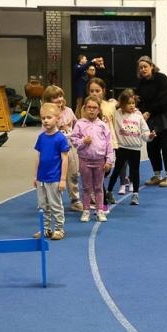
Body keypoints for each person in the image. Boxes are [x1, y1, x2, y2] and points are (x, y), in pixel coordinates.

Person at [135, 57, 167, 187]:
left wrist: (148, 112)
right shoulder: (141, 83)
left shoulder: (162, 79)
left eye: (145, 66)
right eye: (141, 67)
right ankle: (157, 175)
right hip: (152, 119)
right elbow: (137, 100)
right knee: (152, 148)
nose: (143, 69)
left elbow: (164, 99)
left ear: (151, 66)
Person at [71, 96, 115, 224]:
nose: (91, 110)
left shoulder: (103, 125)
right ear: (84, 108)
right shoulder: (79, 124)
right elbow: (73, 141)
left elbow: (109, 144)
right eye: (89, 107)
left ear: (98, 110)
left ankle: (100, 210)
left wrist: (109, 161)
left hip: (99, 161)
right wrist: (83, 142)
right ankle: (86, 210)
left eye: (94, 108)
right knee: (86, 188)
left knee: (98, 187)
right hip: (85, 160)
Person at [33, 101, 70, 238]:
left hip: (54, 177)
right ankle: (45, 228)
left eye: (49, 117)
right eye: (43, 118)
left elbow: (65, 159)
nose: (46, 121)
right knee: (42, 205)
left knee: (55, 205)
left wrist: (63, 179)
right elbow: (38, 156)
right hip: (41, 178)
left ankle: (59, 228)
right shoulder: (41, 137)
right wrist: (35, 176)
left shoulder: (60, 138)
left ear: (57, 118)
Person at [112, 89, 147, 206]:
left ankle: (135, 194)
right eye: (129, 103)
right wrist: (117, 103)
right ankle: (109, 191)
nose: (132, 105)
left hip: (135, 149)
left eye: (133, 103)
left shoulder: (138, 116)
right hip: (122, 147)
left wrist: (149, 136)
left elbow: (144, 132)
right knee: (117, 169)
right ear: (122, 104)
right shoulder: (118, 114)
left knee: (135, 171)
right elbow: (111, 106)